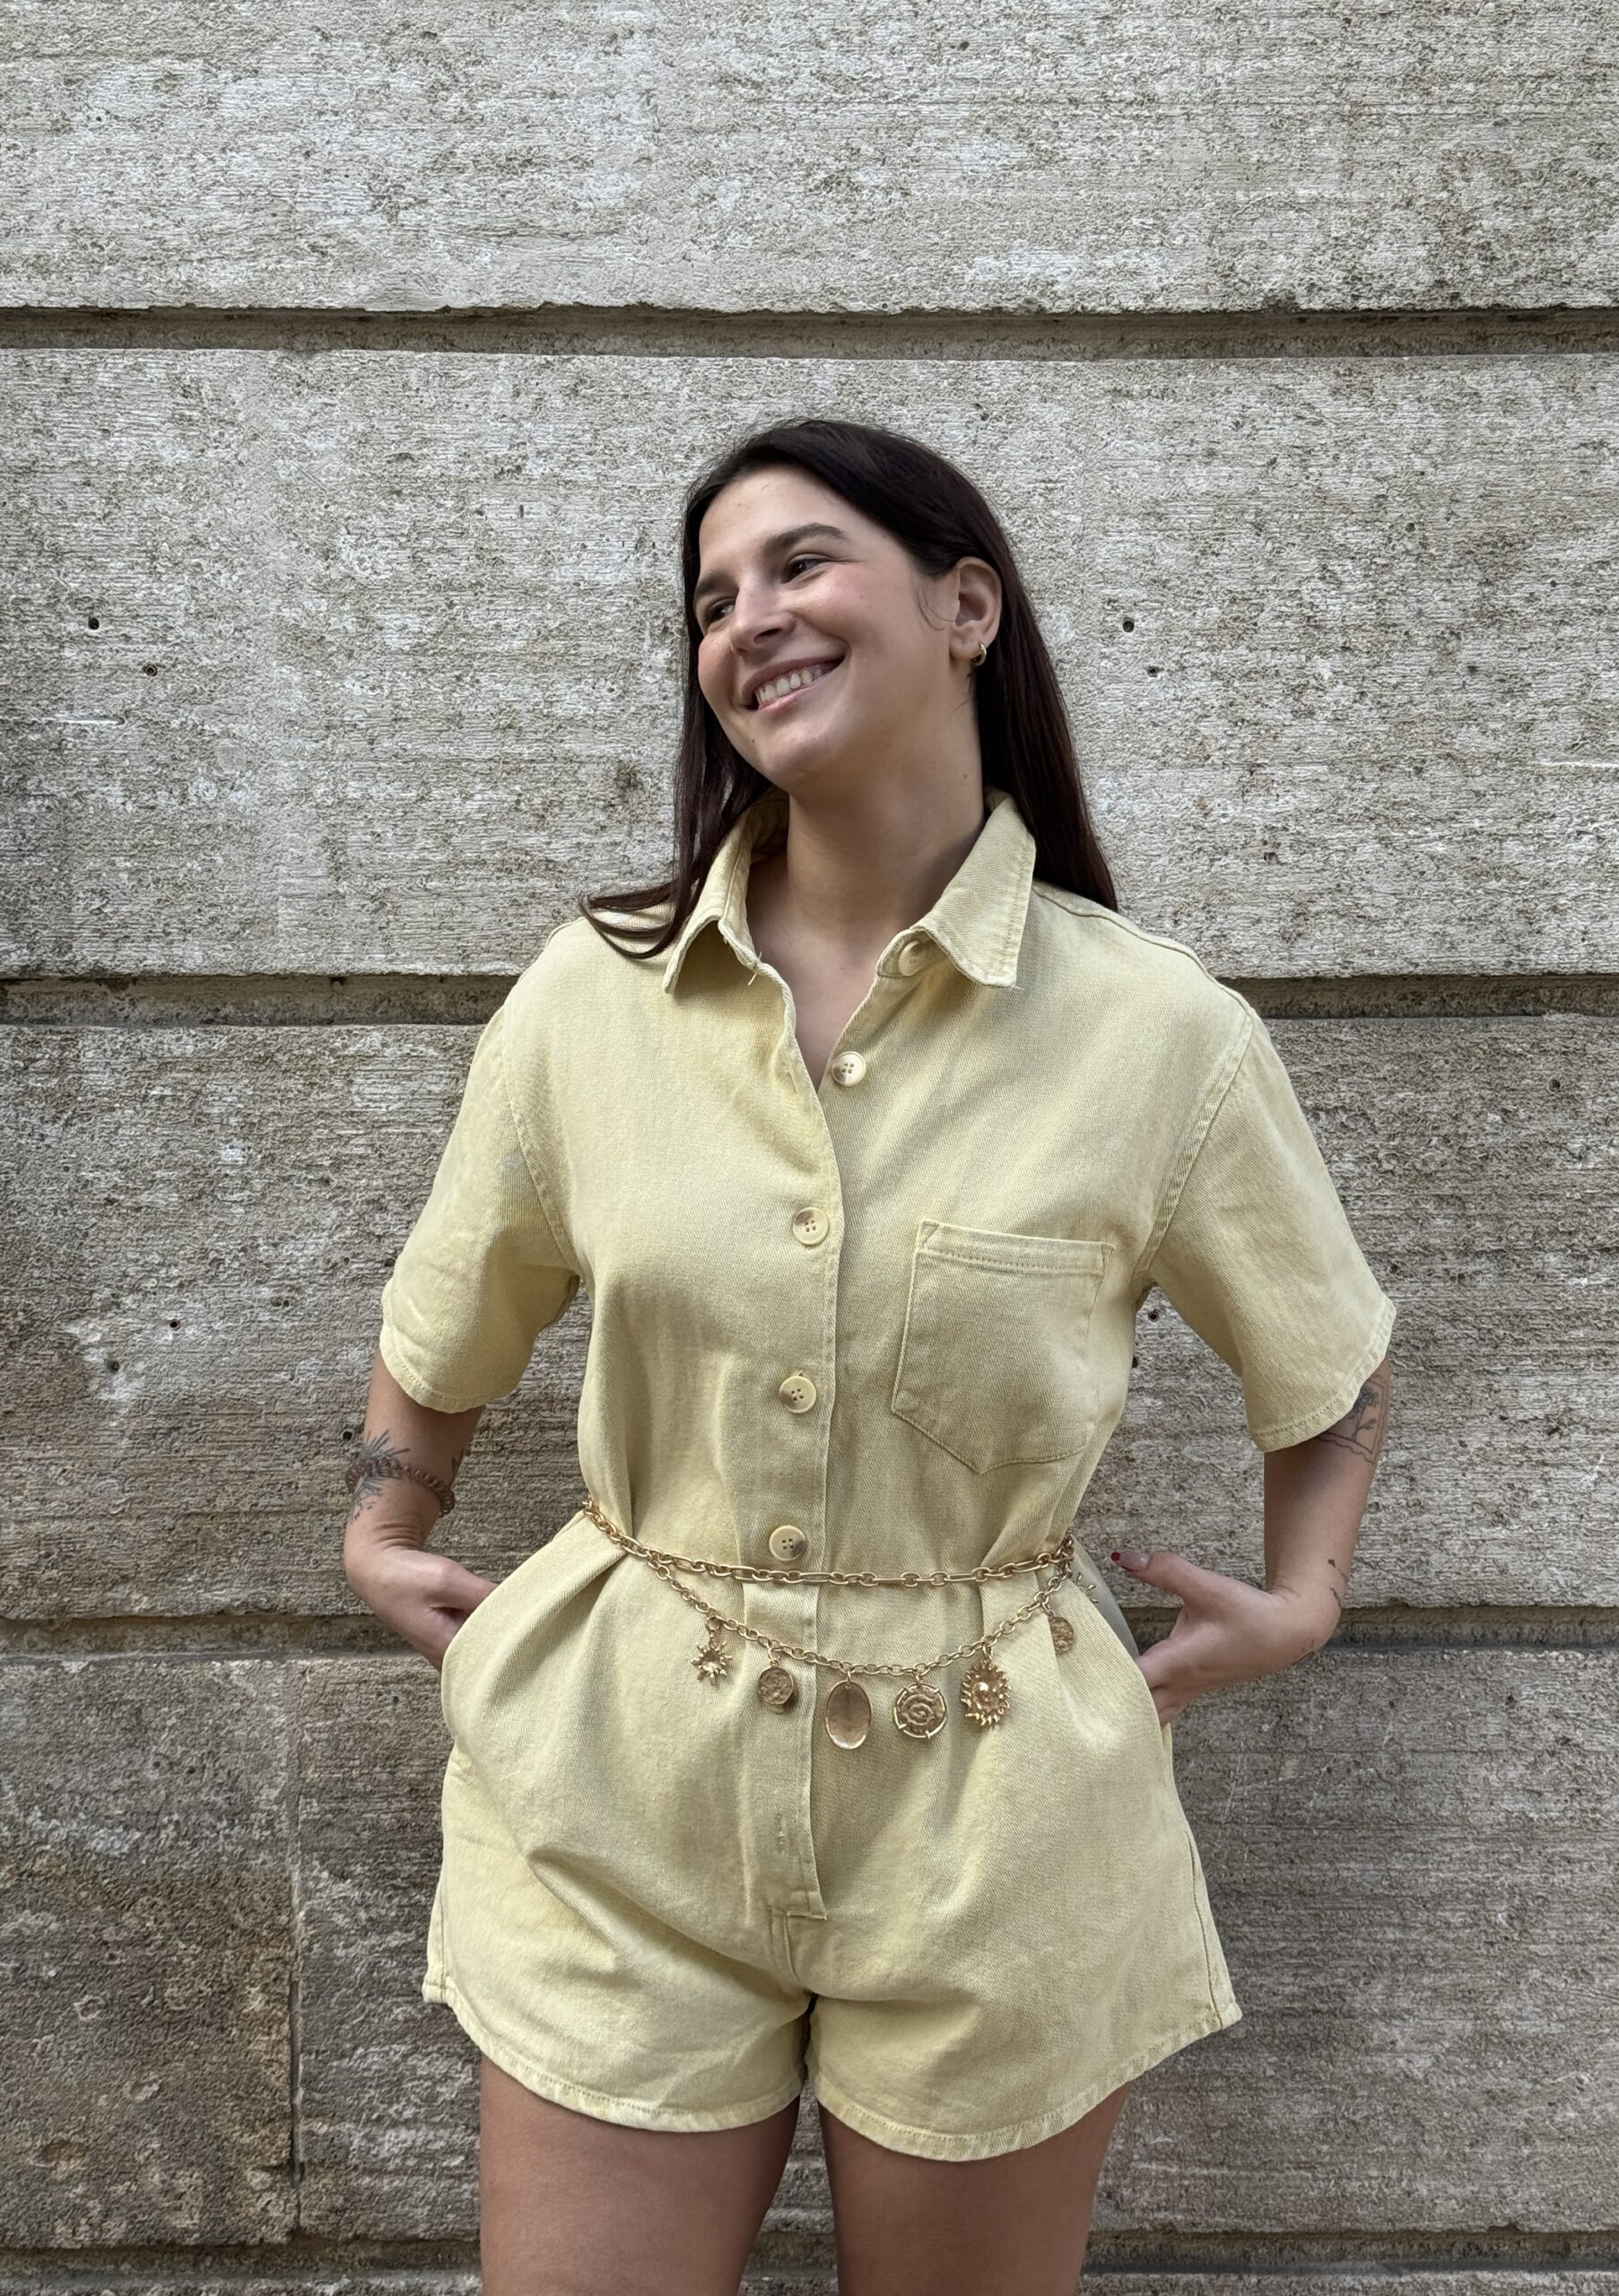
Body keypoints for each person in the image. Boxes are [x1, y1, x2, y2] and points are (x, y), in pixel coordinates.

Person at [342, 415, 1396, 2296]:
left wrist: (1304, 1592)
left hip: (1000, 1814)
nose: (748, 618)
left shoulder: (1157, 1036)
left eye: (802, 562)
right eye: (711, 600)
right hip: (622, 1783)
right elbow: (451, 1312)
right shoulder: (592, 999)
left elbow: (1329, 1362)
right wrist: (384, 1517)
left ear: (966, 604)